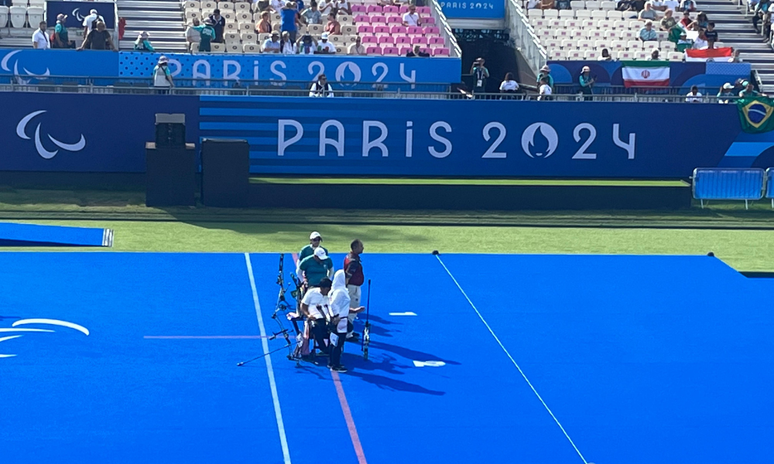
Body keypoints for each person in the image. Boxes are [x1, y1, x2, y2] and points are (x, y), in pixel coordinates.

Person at [328, 270, 365, 372]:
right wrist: (336, 316)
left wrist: (354, 310)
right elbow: (333, 305)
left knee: (333, 341)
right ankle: (335, 365)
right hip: (340, 321)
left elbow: (340, 306)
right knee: (338, 343)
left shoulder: (334, 290)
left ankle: (331, 362)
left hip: (338, 319)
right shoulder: (340, 292)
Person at [299, 277, 333, 357]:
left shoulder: (331, 295)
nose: (328, 292)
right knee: (315, 327)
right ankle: (323, 348)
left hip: (327, 319)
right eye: (327, 290)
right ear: (321, 288)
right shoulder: (311, 292)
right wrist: (308, 315)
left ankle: (333, 348)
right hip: (314, 318)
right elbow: (303, 306)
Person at [343, 239, 365, 340]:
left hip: (351, 287)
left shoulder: (349, 257)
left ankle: (349, 330)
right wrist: (345, 288)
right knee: (352, 309)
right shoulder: (353, 262)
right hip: (353, 288)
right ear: (355, 248)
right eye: (361, 246)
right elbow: (348, 276)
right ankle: (347, 333)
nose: (363, 248)